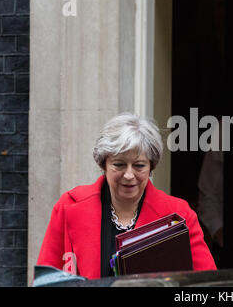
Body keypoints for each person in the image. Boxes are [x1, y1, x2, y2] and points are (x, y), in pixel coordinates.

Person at [37, 113, 217, 279]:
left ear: (151, 166)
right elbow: (47, 278)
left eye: (139, 166)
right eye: (119, 164)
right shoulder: (69, 206)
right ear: (104, 165)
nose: (129, 175)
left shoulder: (179, 214)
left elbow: (204, 282)